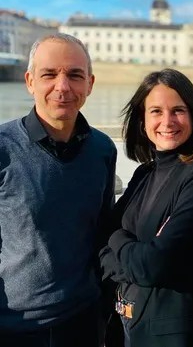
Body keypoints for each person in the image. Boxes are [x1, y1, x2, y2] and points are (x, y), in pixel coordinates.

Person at [0, 33, 117, 347]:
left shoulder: (102, 149)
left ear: (90, 84)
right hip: (13, 328)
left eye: (75, 75)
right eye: (49, 74)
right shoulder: (3, 147)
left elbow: (101, 232)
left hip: (83, 322)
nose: (62, 87)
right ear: (30, 81)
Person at [99, 69, 193, 347]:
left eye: (178, 110)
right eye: (156, 111)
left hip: (173, 333)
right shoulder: (145, 173)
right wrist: (131, 252)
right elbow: (101, 239)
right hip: (126, 325)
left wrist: (117, 237)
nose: (167, 121)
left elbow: (153, 266)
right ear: (142, 121)